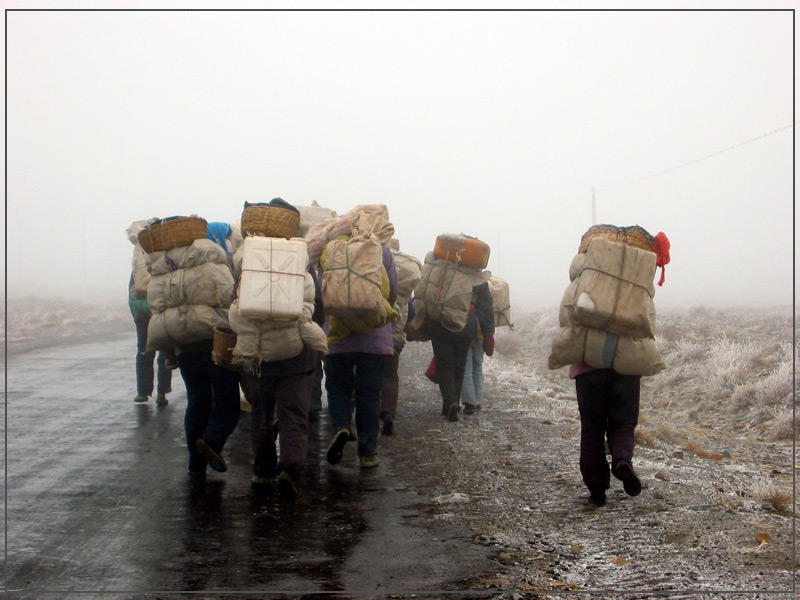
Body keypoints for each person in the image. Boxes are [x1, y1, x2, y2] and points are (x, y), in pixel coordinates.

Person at [243, 262, 324, 500]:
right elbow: (318, 311)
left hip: (261, 357)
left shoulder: (250, 266)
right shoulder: (301, 267)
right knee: (293, 413)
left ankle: (262, 471)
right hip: (297, 358)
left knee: (262, 413)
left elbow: (238, 307)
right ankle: (290, 467)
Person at [324, 243, 397, 468]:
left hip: (337, 334)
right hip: (373, 335)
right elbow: (392, 289)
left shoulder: (332, 248)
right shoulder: (381, 248)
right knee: (369, 393)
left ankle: (342, 426)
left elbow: (321, 288)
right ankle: (368, 452)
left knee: (337, 388)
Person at [571, 363, 642, 507]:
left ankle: (597, 492)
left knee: (592, 431)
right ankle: (622, 460)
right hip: (627, 370)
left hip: (588, 372)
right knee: (623, 424)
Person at [426, 281, 494, 422]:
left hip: (440, 323)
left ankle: (450, 403)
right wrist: (488, 332)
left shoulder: (441, 268)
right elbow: (486, 306)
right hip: (466, 324)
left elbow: (426, 294)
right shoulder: (476, 275)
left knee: (444, 366)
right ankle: (455, 404)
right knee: (460, 366)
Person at [125, 219, 172, 405]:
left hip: (142, 309)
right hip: (161, 306)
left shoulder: (139, 255)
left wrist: (134, 308)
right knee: (164, 349)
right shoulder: (165, 253)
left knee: (144, 349)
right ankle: (162, 393)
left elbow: (132, 287)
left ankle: (143, 392)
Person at [460, 316, 492, 415]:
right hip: (481, 333)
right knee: (477, 367)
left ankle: (469, 403)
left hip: (465, 332)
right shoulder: (484, 299)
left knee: (467, 368)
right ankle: (477, 401)